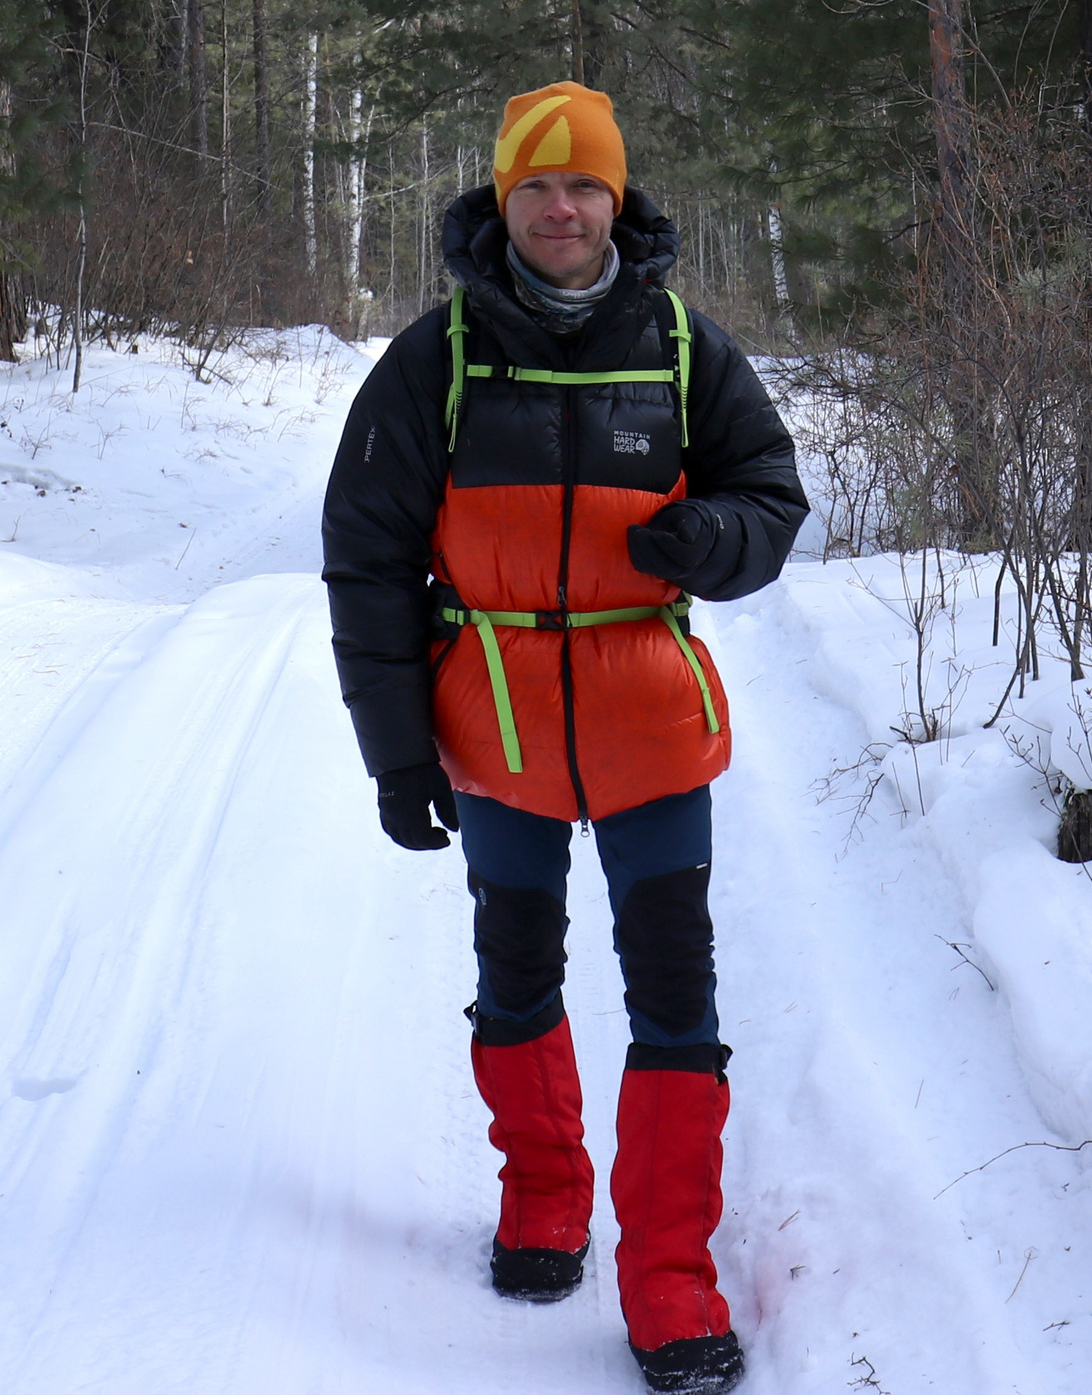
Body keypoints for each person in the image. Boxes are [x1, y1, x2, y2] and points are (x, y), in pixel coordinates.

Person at [322, 80, 807, 1395]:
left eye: (582, 184)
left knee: (675, 993)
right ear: (501, 200)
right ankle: (546, 1197)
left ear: (616, 201)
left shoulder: (687, 351)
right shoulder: (438, 361)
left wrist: (716, 540)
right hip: (499, 728)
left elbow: (771, 495)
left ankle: (669, 1279)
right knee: (517, 965)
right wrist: (398, 748)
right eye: (536, 185)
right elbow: (365, 564)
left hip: (651, 722)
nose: (559, 207)